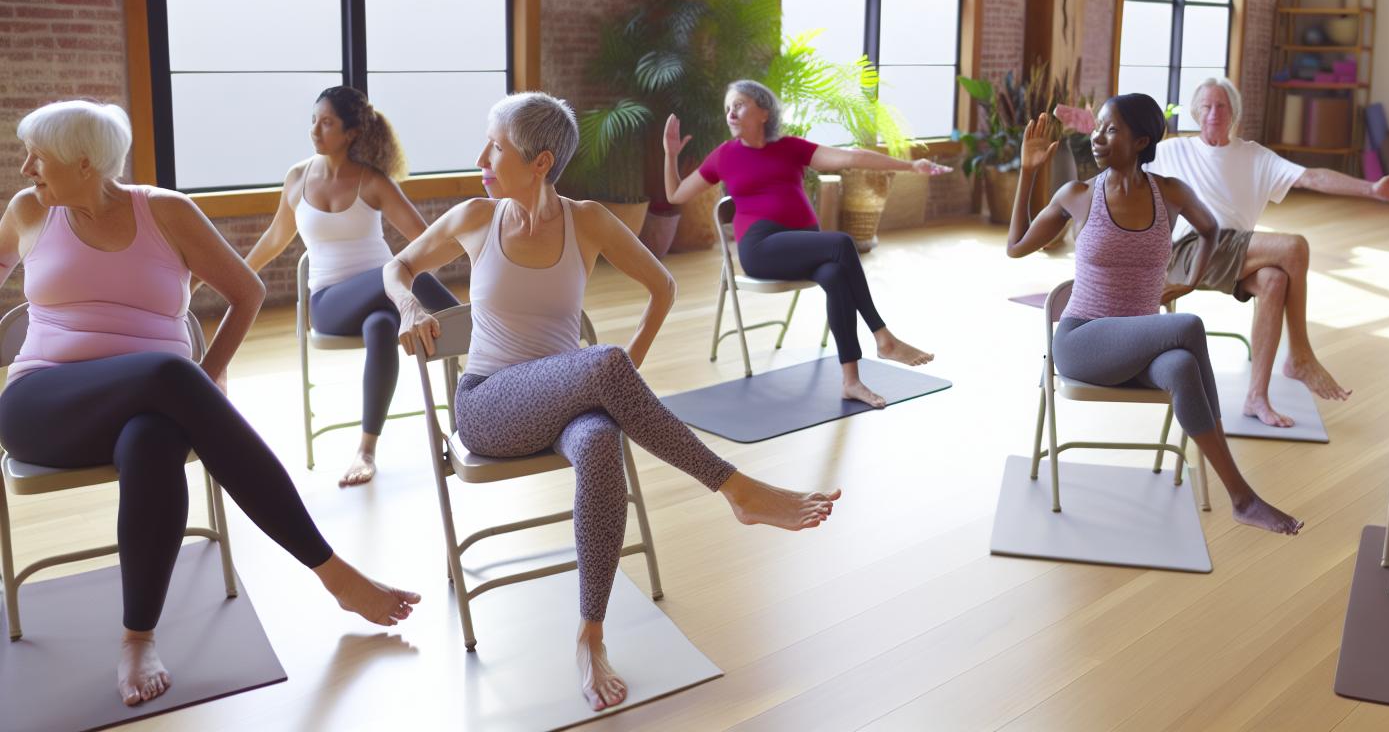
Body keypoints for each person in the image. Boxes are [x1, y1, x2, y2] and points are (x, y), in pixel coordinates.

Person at [388, 91, 840, 711]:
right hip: (489, 406)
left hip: (568, 407)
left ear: (541, 162)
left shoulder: (588, 221)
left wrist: (625, 382)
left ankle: (589, 635)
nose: (481, 157)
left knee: (602, 440)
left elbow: (665, 286)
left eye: (495, 147)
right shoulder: (474, 217)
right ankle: (736, 489)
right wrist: (411, 304)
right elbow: (400, 266)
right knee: (604, 364)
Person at [0, 101, 419, 709]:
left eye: (39, 154)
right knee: (172, 376)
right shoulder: (28, 212)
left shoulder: (165, 212)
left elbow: (246, 292)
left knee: (155, 439)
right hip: (46, 403)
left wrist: (208, 372)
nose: (26, 165)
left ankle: (137, 637)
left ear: (84, 162)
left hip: (151, 406)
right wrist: (195, 381)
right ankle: (334, 573)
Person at [1005, 93, 1303, 538]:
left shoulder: (1170, 193)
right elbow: (1016, 247)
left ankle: (1241, 500)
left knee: (1182, 365)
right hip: (1083, 341)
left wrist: (1188, 281)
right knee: (1188, 326)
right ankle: (1242, 492)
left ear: (1141, 140)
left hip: (1140, 354)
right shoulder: (1079, 195)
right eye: (1098, 128)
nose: (1097, 137)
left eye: (1111, 130)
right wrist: (1028, 174)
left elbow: (1210, 231)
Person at [1147, 77, 1389, 427]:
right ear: (1194, 112)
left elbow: (1313, 178)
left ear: (1234, 112)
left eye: (1221, 106)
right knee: (1294, 246)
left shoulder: (1253, 156)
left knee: (1275, 280)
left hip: (1234, 253)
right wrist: (1087, 129)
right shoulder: (1173, 151)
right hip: (1191, 249)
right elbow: (1123, 157)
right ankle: (1300, 355)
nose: (1213, 113)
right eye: (1206, 106)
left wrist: (1372, 189)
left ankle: (1256, 397)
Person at [662, 80, 952, 408]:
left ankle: (851, 382)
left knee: (835, 275)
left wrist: (910, 166)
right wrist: (670, 155)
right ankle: (883, 337)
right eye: (728, 107)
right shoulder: (724, 156)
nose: (731, 112)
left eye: (739, 105)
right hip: (761, 249)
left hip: (804, 246)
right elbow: (675, 194)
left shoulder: (790, 147)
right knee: (842, 243)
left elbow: (850, 158)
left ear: (763, 112)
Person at [237, 87, 459, 486]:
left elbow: (423, 240)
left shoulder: (372, 182)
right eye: (314, 121)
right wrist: (234, 274)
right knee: (396, 271)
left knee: (381, 326)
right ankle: (480, 338)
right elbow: (274, 239)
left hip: (383, 300)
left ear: (352, 132)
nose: (315, 131)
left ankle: (366, 450)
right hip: (330, 303)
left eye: (326, 123)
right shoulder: (298, 178)